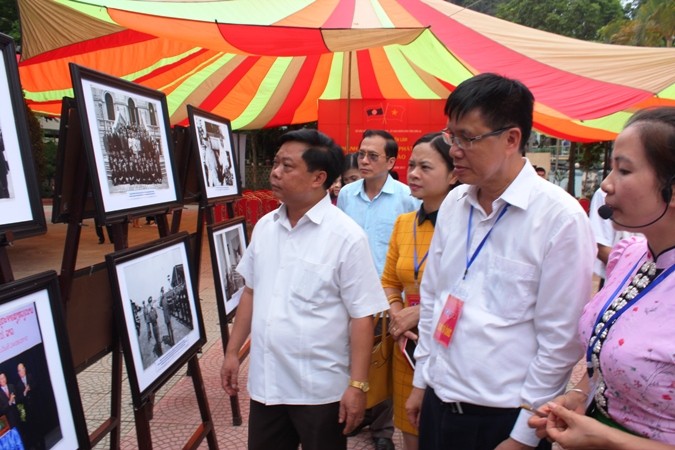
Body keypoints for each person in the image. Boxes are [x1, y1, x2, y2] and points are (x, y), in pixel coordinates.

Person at [408, 73, 595, 450]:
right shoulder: (455, 206)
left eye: (467, 138)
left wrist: (524, 435)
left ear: (511, 139)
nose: (455, 150)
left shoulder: (559, 218)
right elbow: (433, 299)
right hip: (438, 402)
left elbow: (560, 341)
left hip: (503, 419)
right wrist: (421, 383)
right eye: (450, 136)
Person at [220, 129, 388, 450]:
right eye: (275, 163)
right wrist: (232, 352)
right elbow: (251, 292)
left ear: (318, 178)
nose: (275, 173)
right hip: (267, 385)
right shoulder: (266, 228)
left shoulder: (347, 237)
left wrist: (357, 385)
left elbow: (362, 317)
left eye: (287, 166)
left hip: (320, 392)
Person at [528, 107, 675, 449]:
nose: (606, 184)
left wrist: (609, 439)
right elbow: (604, 359)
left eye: (623, 170)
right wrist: (580, 394)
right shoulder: (629, 257)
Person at [337, 129, 420, 450]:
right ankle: (353, 416)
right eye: (361, 154)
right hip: (350, 295)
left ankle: (382, 430)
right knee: (350, 358)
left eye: (373, 156)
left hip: (387, 298)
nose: (365, 161)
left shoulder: (406, 198)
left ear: (390, 160)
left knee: (383, 362)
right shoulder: (347, 195)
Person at [381, 133, 459, 450]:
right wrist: (397, 315)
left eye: (425, 167)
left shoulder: (465, 226)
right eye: (411, 165)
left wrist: (423, 312)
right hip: (406, 348)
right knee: (409, 431)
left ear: (454, 174)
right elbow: (389, 281)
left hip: (446, 346)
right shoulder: (403, 223)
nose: (413, 174)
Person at [588, 186, 639, 290]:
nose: (605, 183)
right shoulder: (605, 193)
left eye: (625, 171)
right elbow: (600, 246)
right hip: (620, 289)